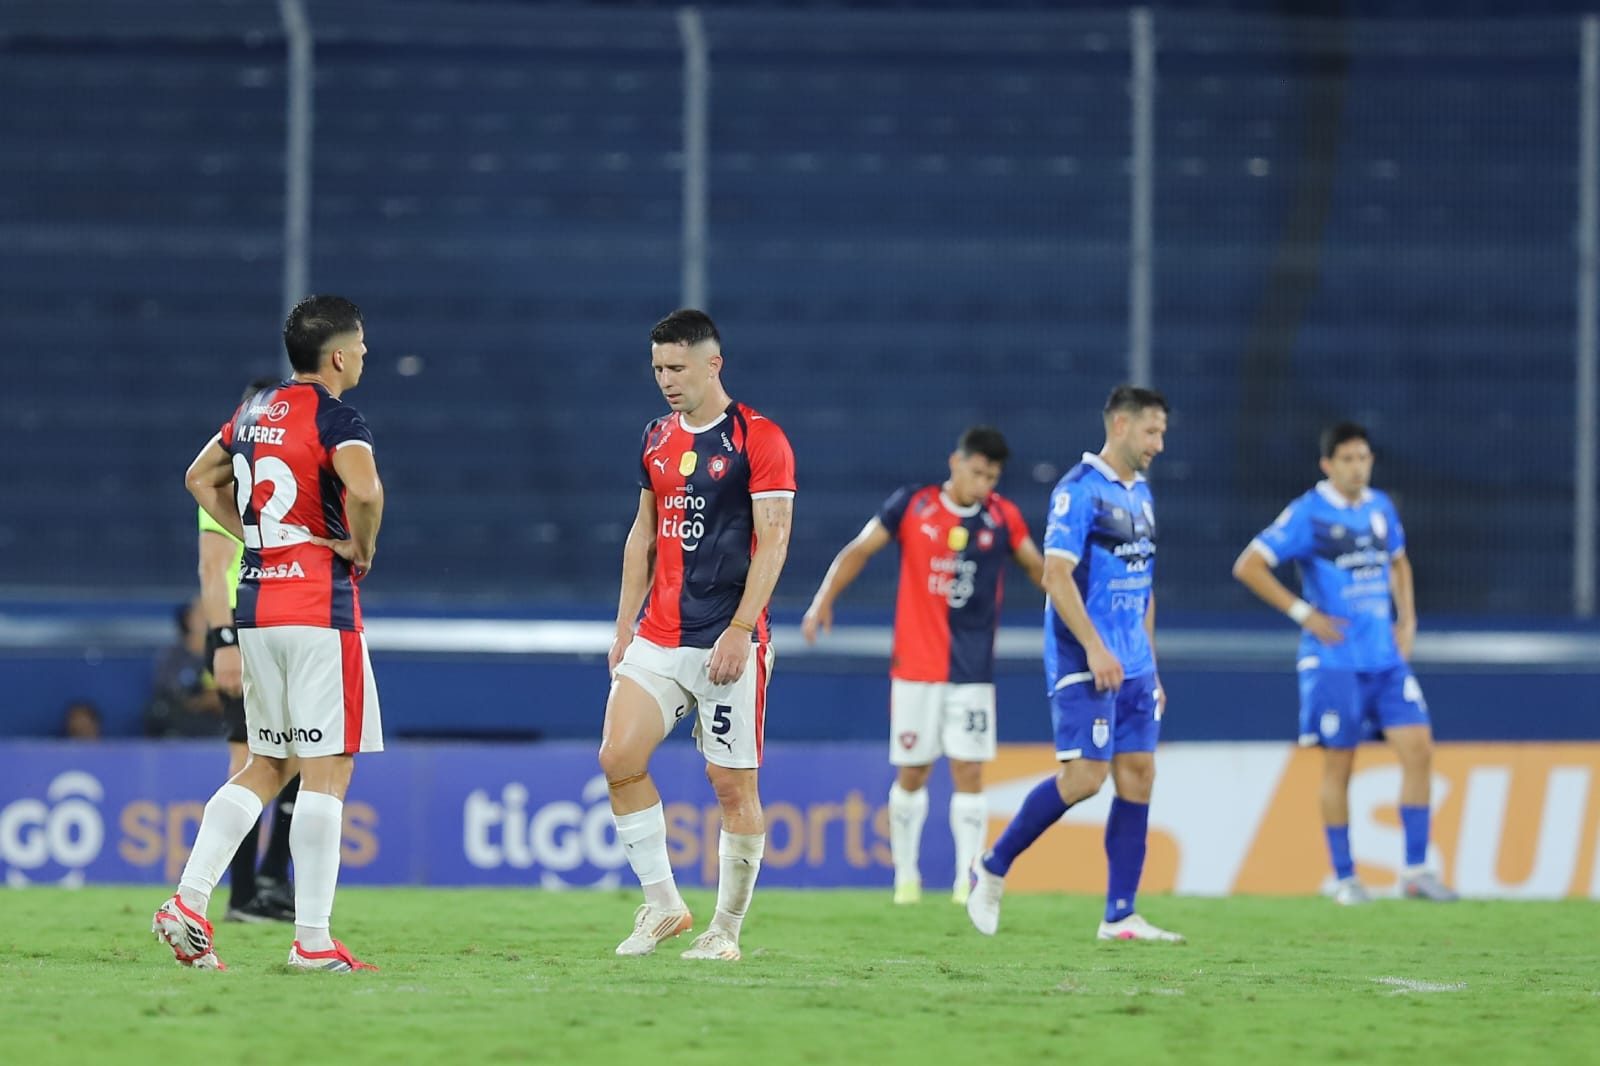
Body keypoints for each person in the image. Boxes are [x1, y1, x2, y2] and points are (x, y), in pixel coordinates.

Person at [151, 294, 385, 972]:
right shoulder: (339, 416)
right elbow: (366, 491)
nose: (366, 354)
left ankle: (189, 902)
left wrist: (257, 536)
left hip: (259, 604)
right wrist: (355, 545)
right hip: (319, 605)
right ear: (338, 354)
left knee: (269, 764)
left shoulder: (254, 412)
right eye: (362, 345)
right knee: (328, 770)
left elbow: (199, 478)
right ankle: (311, 941)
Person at [599, 308, 795, 963]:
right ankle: (663, 904)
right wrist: (624, 625)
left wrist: (743, 630)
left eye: (676, 367)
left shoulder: (758, 439)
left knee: (732, 786)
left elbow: (775, 540)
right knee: (618, 757)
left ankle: (726, 931)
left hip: (725, 638)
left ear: (714, 363)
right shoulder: (655, 437)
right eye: (657, 368)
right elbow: (642, 534)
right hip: (659, 632)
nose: (665, 380)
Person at [966, 385, 1184, 942]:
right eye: (1151, 431)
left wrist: (1150, 667)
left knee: (1139, 773)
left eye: (1162, 432)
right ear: (1119, 425)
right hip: (1084, 653)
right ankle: (992, 866)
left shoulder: (1142, 496)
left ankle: (1120, 914)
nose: (1159, 443)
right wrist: (1094, 647)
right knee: (1086, 778)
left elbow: (1144, 587)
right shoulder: (1079, 491)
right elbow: (1055, 575)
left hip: (1131, 661)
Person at [801, 426, 1044, 905]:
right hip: (915, 668)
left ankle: (966, 883)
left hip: (972, 672)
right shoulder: (912, 505)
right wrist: (823, 598)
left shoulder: (1003, 518)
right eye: (977, 472)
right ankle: (906, 880)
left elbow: (1039, 570)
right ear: (956, 463)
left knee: (970, 771)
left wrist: (1075, 608)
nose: (984, 485)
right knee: (913, 772)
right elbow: (860, 549)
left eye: (992, 477)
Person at [1231, 421, 1457, 904]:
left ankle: (1416, 871)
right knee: (1341, 764)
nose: (1358, 467)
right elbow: (1249, 564)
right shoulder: (1307, 514)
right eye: (1349, 460)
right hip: (1334, 661)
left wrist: (1408, 620)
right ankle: (1345, 876)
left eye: (1364, 458)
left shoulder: (1380, 508)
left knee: (1419, 749)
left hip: (1385, 659)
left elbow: (1399, 561)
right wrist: (1303, 613)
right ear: (1328, 465)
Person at [199, 376, 302, 924]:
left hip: (280, 625)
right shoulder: (231, 482)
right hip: (247, 634)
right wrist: (224, 641)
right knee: (252, 760)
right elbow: (213, 569)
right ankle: (244, 893)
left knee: (301, 756)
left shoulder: (275, 482)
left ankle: (268, 881)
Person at [143, 598, 229, 738]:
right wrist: (204, 700)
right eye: (201, 613)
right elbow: (170, 691)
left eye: (211, 613)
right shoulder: (172, 656)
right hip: (182, 719)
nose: (206, 619)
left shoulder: (228, 653)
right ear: (189, 619)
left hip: (219, 720)